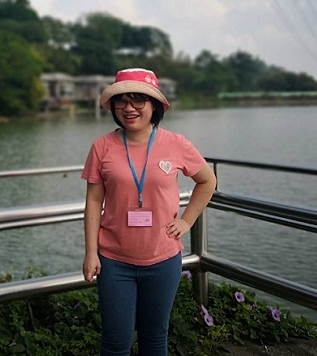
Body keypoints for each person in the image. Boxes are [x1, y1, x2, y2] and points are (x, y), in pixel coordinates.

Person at [81, 68, 216, 355]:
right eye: (122, 101)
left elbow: (207, 181)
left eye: (138, 100)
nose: (129, 108)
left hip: (163, 259)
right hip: (113, 261)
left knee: (155, 340)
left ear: (154, 105)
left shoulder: (176, 143)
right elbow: (93, 201)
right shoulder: (102, 146)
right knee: (116, 343)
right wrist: (91, 252)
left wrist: (187, 220)